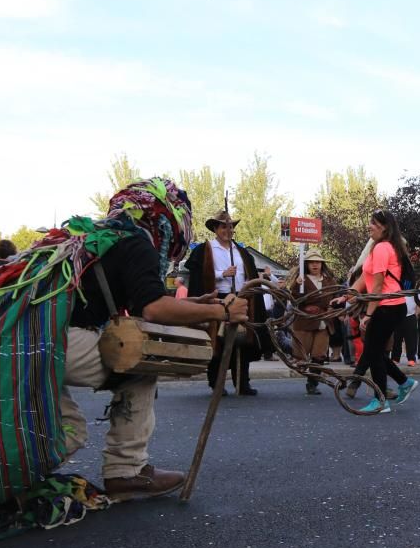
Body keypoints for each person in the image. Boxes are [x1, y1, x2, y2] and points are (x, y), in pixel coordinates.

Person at [64, 178, 249, 500]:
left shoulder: (104, 239)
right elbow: (152, 309)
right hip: (55, 342)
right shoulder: (137, 244)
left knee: (63, 429)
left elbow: (144, 301)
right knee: (137, 369)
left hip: (24, 343)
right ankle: (126, 471)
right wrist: (221, 311)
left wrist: (197, 304)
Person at [332, 210, 419, 414]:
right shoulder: (377, 247)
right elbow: (364, 279)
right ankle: (404, 383)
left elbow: (378, 287)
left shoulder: (382, 248)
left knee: (372, 352)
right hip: (387, 307)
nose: (369, 226)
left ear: (384, 227)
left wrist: (369, 315)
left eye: (373, 223)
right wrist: (345, 296)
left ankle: (381, 400)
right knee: (375, 352)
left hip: (386, 307)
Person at [185, 210, 272, 396]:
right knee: (220, 341)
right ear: (216, 229)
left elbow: (250, 274)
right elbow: (198, 276)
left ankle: (242, 383)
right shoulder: (205, 249)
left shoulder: (240, 251)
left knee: (243, 341)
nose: (228, 230)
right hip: (218, 298)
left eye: (231, 226)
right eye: (224, 226)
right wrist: (222, 274)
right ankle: (216, 382)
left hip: (241, 297)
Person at [289, 247, 337, 395]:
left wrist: (335, 309)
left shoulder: (330, 281)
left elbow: (335, 299)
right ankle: (308, 376)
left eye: (318, 262)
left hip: (323, 322)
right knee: (302, 355)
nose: (315, 265)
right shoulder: (300, 280)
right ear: (307, 265)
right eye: (311, 262)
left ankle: (312, 383)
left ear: (322, 264)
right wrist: (297, 285)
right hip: (305, 321)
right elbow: (294, 300)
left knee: (319, 355)